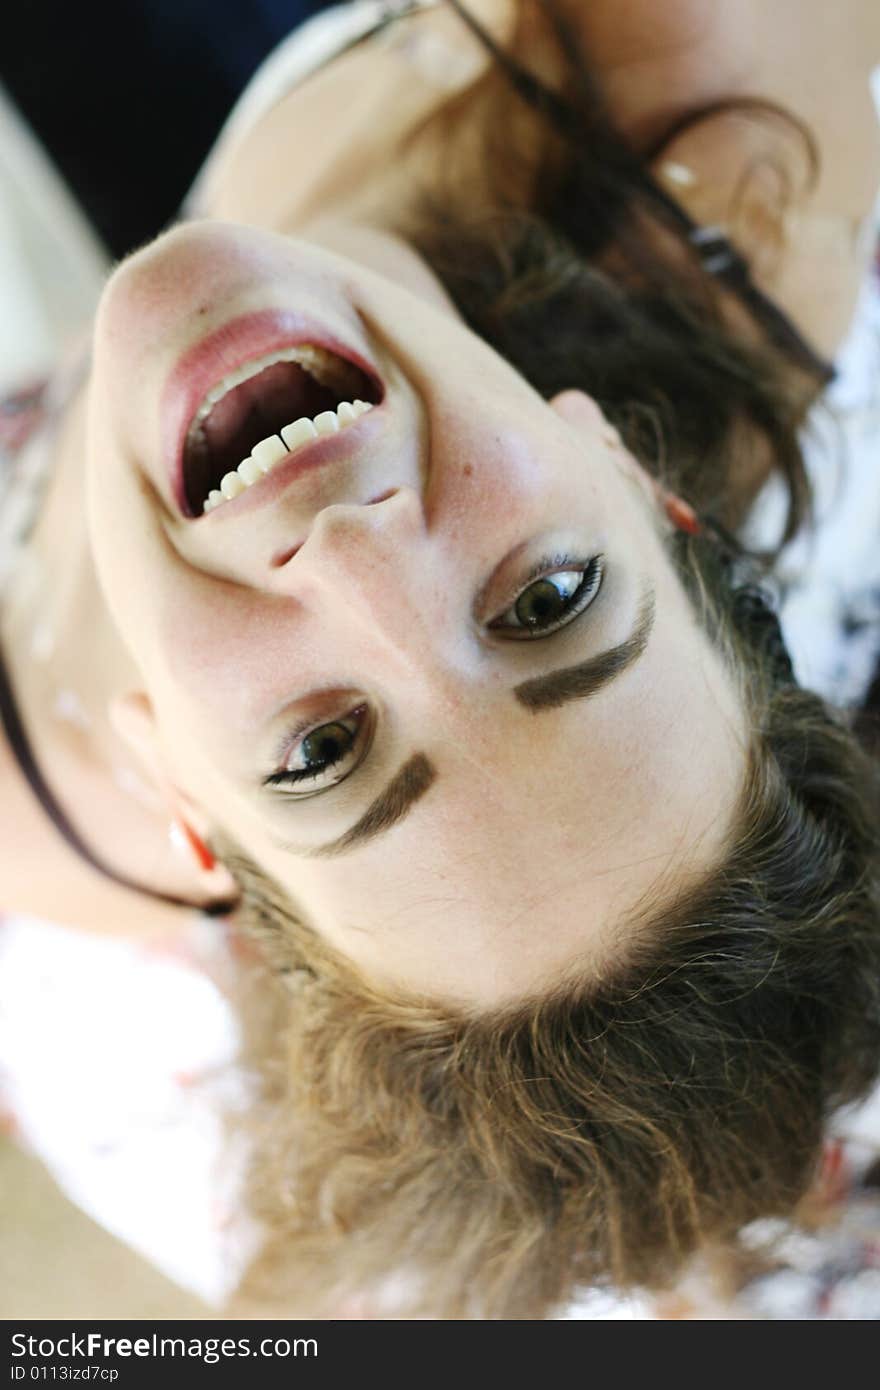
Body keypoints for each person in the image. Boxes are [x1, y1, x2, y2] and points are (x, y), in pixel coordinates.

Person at [1, 0, 879, 1318]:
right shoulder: (718, 160)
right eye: (550, 601)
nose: (359, 558)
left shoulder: (40, 814)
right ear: (639, 482)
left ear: (188, 800)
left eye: (323, 752)